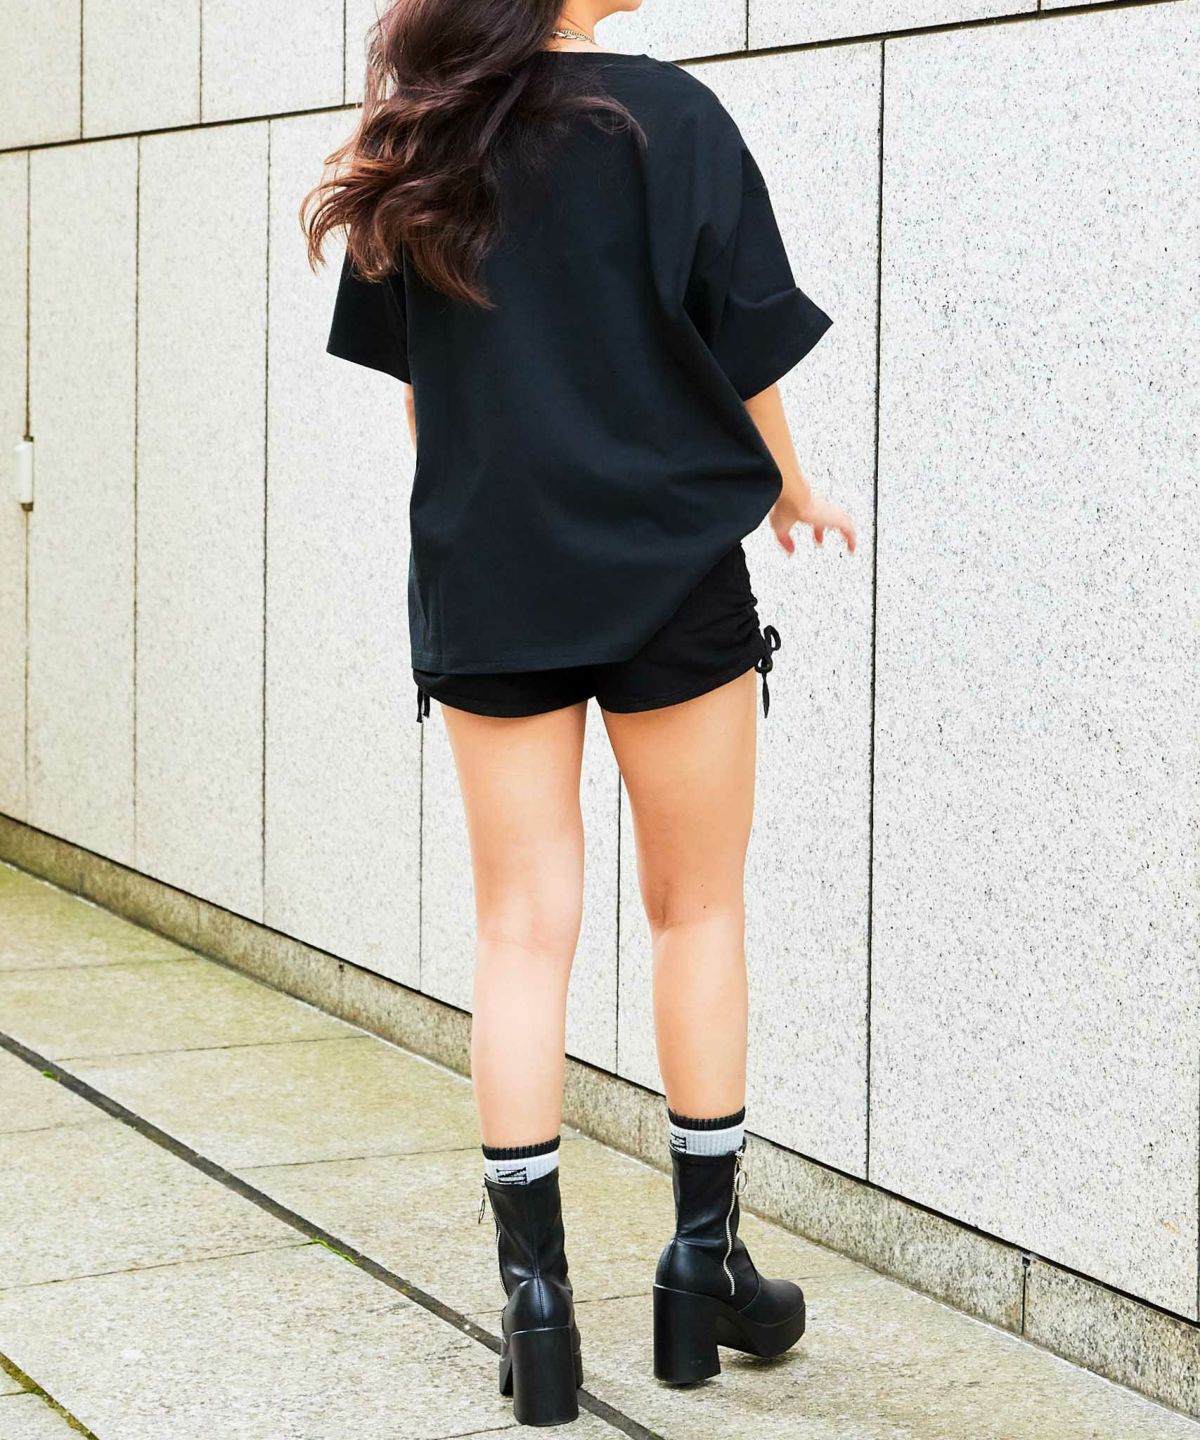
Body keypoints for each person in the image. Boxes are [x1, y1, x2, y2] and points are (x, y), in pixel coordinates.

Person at [303, 0, 856, 1426]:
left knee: (519, 929)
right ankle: (699, 1270)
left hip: (492, 576)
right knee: (697, 909)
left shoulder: (425, 131)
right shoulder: (673, 119)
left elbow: (426, 398)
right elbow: (742, 347)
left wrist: (496, 509)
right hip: (671, 565)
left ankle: (537, 1309)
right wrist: (789, 485)